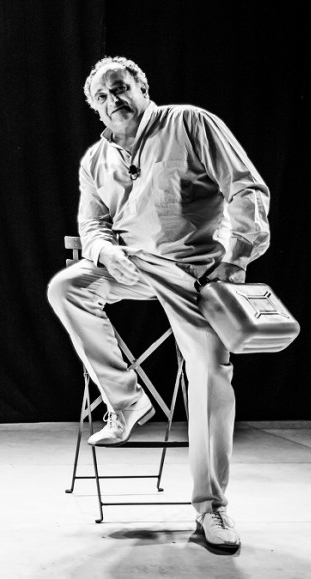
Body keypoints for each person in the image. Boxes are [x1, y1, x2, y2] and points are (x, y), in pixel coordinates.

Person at [47, 56, 270, 550]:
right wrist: (104, 252)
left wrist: (234, 258)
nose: (113, 100)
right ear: (95, 109)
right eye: (102, 97)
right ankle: (127, 401)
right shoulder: (95, 159)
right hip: (128, 265)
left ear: (142, 88)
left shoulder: (189, 122)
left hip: (191, 270)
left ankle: (211, 508)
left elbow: (247, 188)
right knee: (66, 287)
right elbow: (92, 225)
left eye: (120, 88)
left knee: (209, 372)